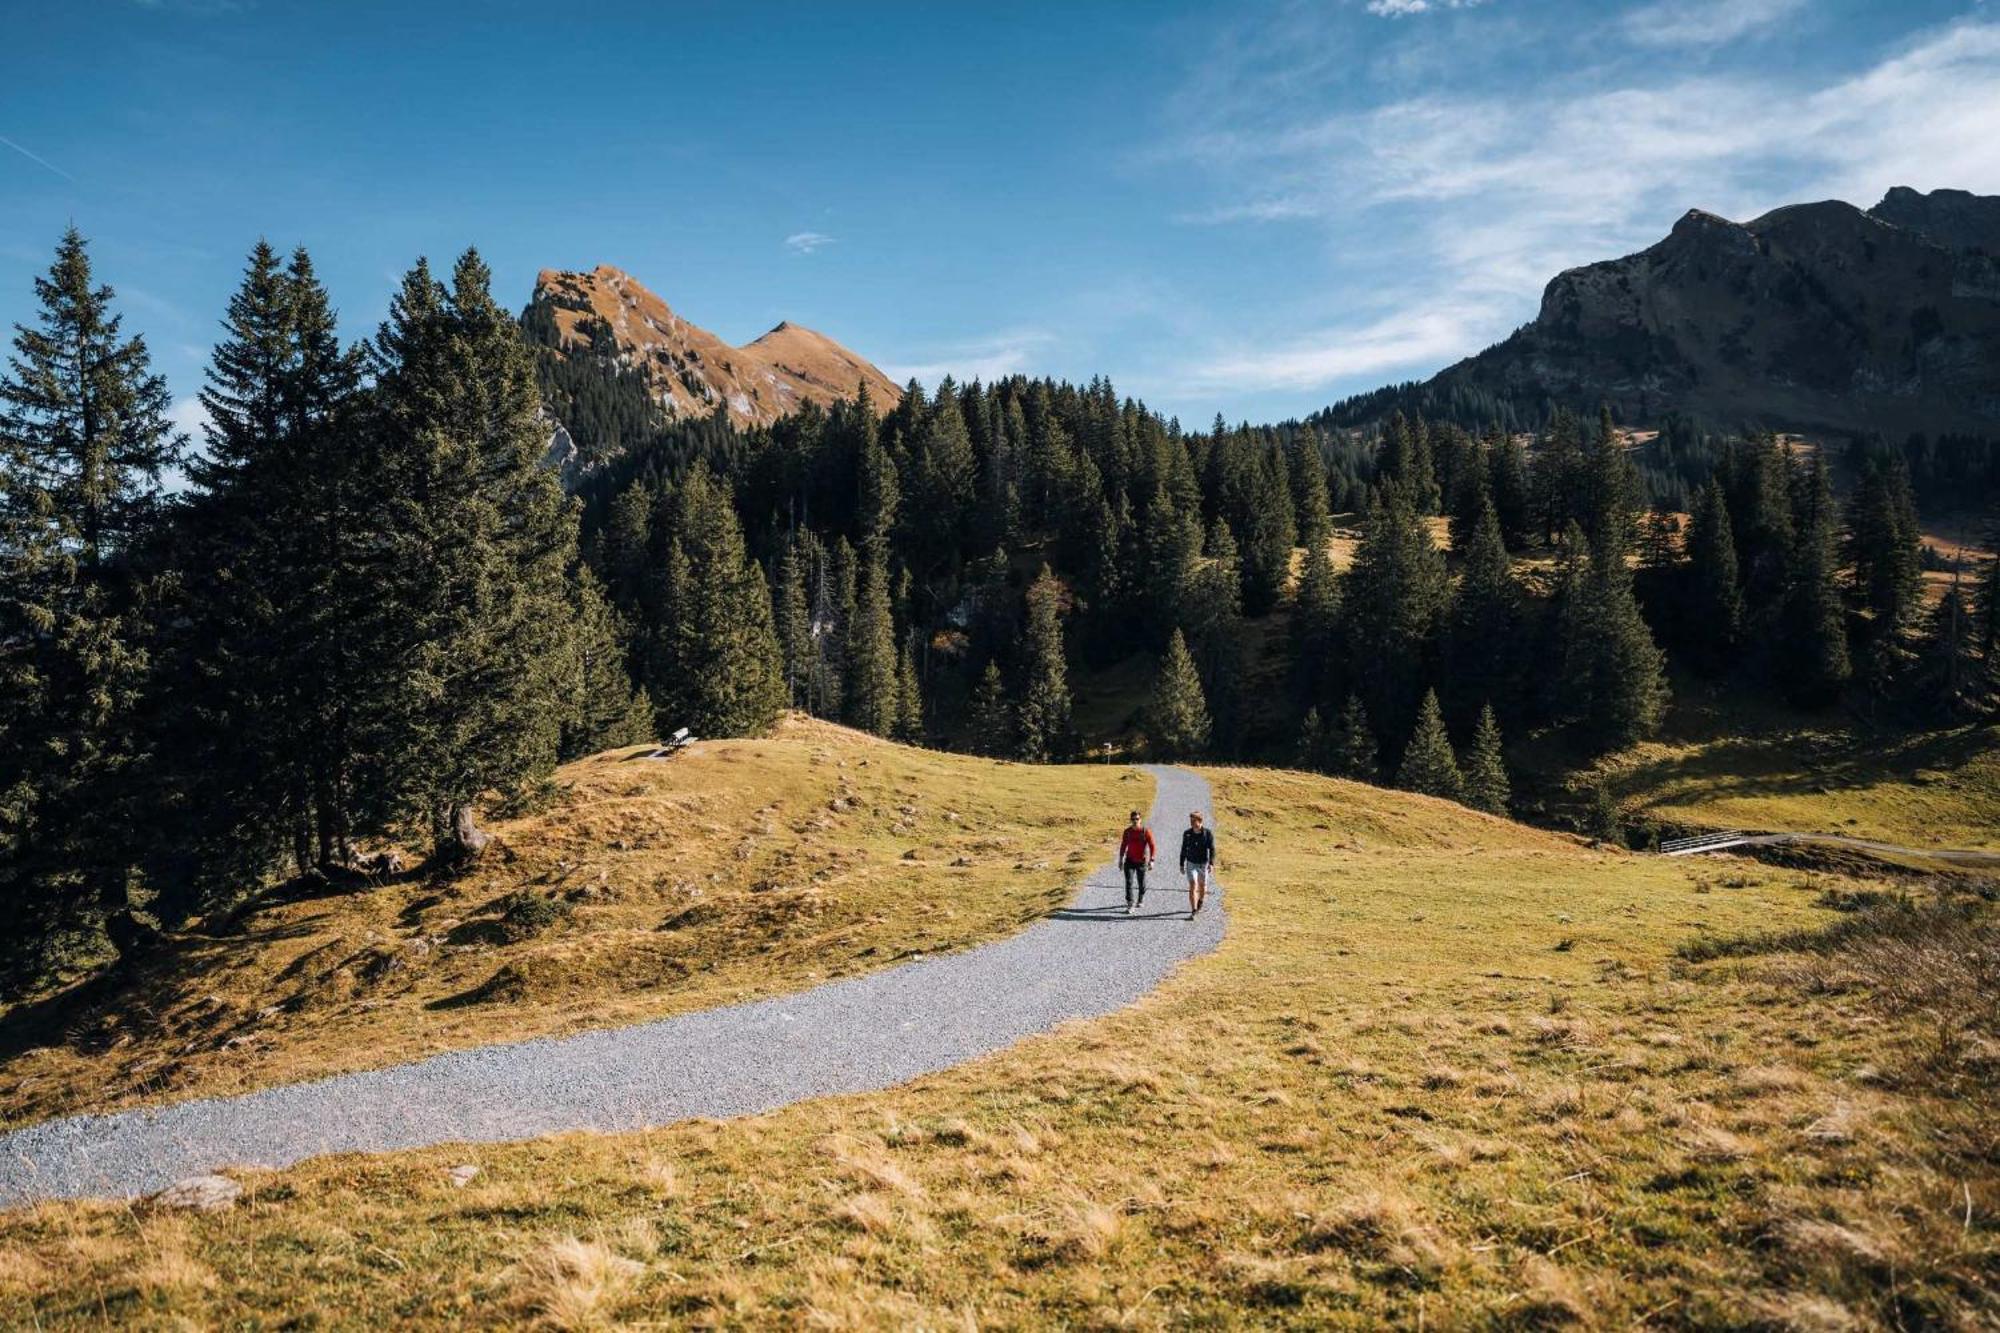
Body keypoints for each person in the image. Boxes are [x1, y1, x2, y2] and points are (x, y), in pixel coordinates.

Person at [1117, 810, 1156, 914]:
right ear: (1131, 820)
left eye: (1137, 819)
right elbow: (1123, 845)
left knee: (1141, 883)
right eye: (1133, 819)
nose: (1135, 821)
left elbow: (1152, 846)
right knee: (1129, 882)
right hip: (1129, 860)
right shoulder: (1127, 832)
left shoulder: (1145, 831)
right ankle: (1130, 904)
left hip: (1141, 861)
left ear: (1140, 820)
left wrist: (1152, 860)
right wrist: (1120, 859)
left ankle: (1141, 898)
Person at [1179, 811, 1216, 919]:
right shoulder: (1187, 833)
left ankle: (1201, 900)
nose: (1192, 823)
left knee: (1202, 885)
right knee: (1193, 885)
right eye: (1191, 821)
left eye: (1194, 821)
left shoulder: (1207, 833)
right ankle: (1194, 910)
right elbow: (1183, 849)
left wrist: (1211, 863)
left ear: (1200, 821)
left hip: (1203, 864)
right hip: (1191, 863)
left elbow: (1212, 849)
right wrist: (1181, 864)